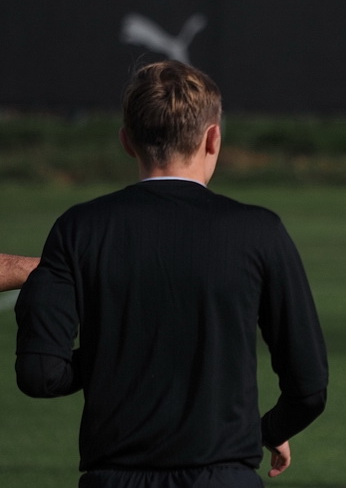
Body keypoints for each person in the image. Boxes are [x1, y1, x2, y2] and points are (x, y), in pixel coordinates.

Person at [15, 60, 328, 488]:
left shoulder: (79, 228)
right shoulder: (259, 231)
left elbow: (41, 374)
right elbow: (309, 389)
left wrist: (119, 349)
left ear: (126, 140)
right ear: (213, 138)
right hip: (223, 477)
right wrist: (262, 434)